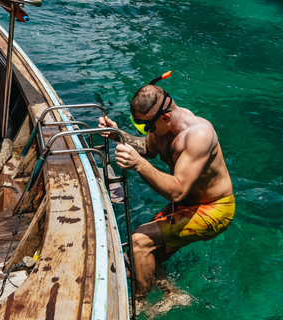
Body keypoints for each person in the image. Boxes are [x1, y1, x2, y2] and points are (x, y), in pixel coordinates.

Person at [98, 75, 235, 300]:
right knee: (140, 256)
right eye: (138, 125)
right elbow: (147, 148)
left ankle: (140, 305)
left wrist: (139, 165)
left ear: (166, 117)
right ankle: (172, 294)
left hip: (215, 208)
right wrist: (118, 134)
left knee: (138, 242)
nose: (144, 131)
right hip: (187, 205)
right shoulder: (159, 129)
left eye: (146, 126)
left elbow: (178, 190)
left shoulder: (198, 135)